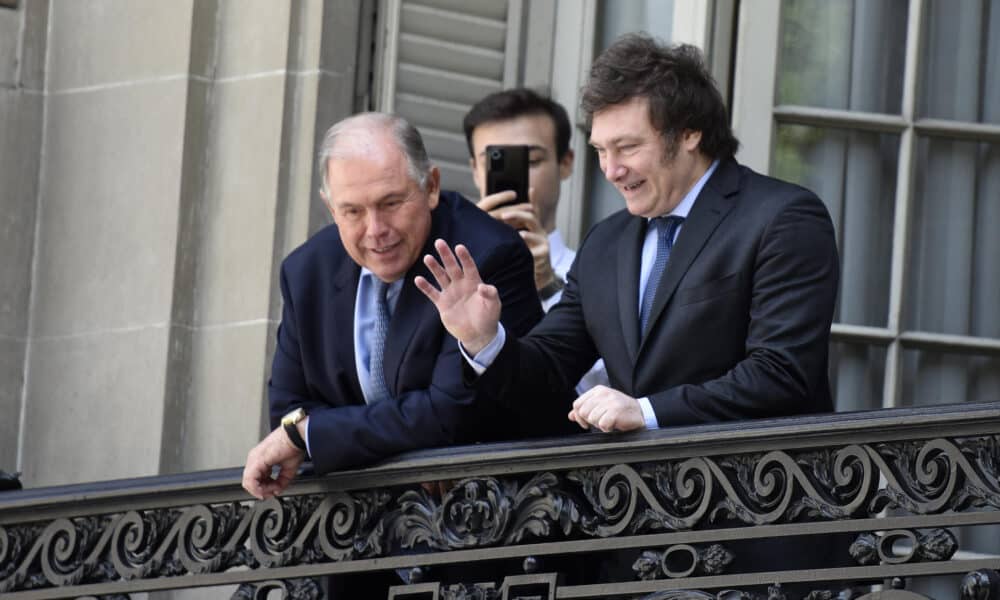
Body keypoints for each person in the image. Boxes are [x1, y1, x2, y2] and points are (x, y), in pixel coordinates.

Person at [416, 34, 843, 575]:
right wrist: (483, 340)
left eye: (628, 147)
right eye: (600, 150)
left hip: (759, 536)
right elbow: (546, 369)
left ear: (690, 132)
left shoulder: (783, 217)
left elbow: (782, 373)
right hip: (633, 544)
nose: (611, 169)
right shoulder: (606, 242)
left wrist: (644, 413)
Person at [242, 112, 546, 500]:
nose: (375, 229)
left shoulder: (486, 254)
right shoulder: (307, 272)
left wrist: (315, 435)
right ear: (330, 207)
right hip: (353, 530)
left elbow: (451, 412)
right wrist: (308, 434)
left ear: (431, 186)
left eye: (391, 202)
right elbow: (287, 413)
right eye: (352, 211)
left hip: (480, 522)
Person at [463, 88, 608, 393]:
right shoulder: (444, 267)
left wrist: (546, 284)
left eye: (530, 161)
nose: (518, 178)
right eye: (497, 161)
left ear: (566, 163)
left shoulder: (602, 276)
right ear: (475, 170)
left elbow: (600, 387)